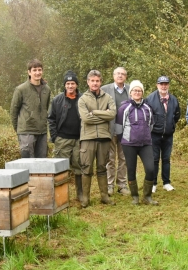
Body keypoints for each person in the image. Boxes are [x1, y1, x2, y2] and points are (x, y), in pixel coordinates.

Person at [115, 80, 159, 205]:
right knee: (131, 170)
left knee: (150, 169)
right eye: (135, 90)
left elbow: (151, 125)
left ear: (142, 93)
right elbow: (119, 127)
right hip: (129, 144)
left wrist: (145, 136)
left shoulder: (147, 108)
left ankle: (147, 196)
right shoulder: (124, 108)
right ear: (131, 93)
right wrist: (123, 140)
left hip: (145, 143)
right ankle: (135, 196)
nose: (137, 92)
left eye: (139, 90)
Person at [78, 70, 117, 207]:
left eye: (97, 81)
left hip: (104, 137)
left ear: (101, 82)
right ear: (88, 82)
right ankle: (85, 198)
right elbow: (86, 118)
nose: (95, 83)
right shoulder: (82, 99)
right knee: (86, 168)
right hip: (87, 138)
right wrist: (103, 115)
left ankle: (104, 196)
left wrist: (94, 112)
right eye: (92, 80)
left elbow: (112, 114)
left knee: (102, 167)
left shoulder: (108, 98)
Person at [48, 70, 83, 202]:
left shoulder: (83, 98)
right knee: (61, 168)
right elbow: (51, 119)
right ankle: (61, 195)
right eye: (68, 83)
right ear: (64, 85)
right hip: (62, 139)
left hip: (79, 139)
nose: (70, 86)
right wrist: (55, 137)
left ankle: (80, 194)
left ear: (76, 85)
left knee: (79, 166)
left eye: (72, 83)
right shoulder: (57, 100)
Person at [145, 76, 181, 193]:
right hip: (154, 134)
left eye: (166, 84)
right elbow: (146, 117)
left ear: (168, 85)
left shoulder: (174, 99)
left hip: (168, 135)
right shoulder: (150, 99)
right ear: (157, 85)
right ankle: (154, 183)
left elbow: (177, 115)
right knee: (154, 159)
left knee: (166, 159)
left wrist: (170, 126)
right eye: (161, 84)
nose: (164, 86)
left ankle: (166, 182)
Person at [10, 58, 51, 158]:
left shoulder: (47, 89)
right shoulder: (21, 89)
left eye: (39, 70)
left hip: (42, 131)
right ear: (29, 72)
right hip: (26, 132)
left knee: (42, 165)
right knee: (28, 164)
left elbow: (45, 108)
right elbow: (13, 111)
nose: (37, 72)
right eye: (34, 70)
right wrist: (19, 130)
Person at [101, 67, 131, 196]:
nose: (120, 76)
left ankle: (122, 185)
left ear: (126, 76)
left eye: (123, 74)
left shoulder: (131, 89)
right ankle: (109, 185)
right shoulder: (105, 89)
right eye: (118, 73)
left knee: (124, 158)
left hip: (126, 130)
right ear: (113, 75)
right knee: (110, 159)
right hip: (110, 128)